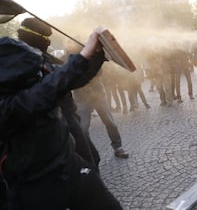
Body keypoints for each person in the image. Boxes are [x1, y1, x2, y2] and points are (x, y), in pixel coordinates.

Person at [0, 31, 123, 209]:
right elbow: (45, 93)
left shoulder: (36, 73)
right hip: (33, 185)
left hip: (69, 165)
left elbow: (71, 77)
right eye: (33, 75)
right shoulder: (7, 104)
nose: (40, 76)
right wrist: (82, 56)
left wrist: (97, 54)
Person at [17, 17, 100, 169]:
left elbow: (74, 75)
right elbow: (64, 78)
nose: (48, 42)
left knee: (92, 158)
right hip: (55, 123)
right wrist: (87, 56)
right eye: (45, 39)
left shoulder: (44, 58)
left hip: (68, 118)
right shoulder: (26, 64)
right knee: (86, 165)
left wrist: (96, 57)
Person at [73, 72, 130, 159]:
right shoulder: (66, 59)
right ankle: (88, 153)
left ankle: (118, 147)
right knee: (83, 129)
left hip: (98, 95)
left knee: (110, 122)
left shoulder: (92, 58)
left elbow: (99, 71)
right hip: (82, 98)